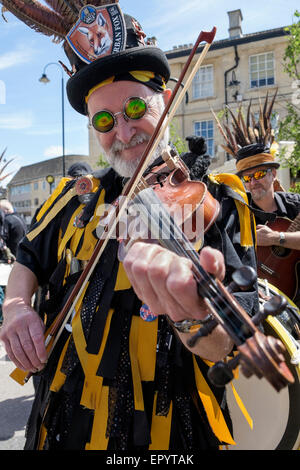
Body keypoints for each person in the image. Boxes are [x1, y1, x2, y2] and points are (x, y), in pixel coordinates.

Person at [0, 3, 259, 451]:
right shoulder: (75, 196)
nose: (122, 131)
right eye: (104, 120)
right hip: (65, 424)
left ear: (164, 101)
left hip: (169, 431)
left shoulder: (216, 201)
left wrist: (190, 316)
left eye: (136, 107)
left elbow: (230, 342)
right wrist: (17, 308)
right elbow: (28, 257)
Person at [214, 95, 300, 306]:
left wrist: (276, 238)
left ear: (274, 175)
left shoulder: (294, 205)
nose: (253, 182)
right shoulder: (235, 210)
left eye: (260, 175)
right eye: (247, 178)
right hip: (250, 295)